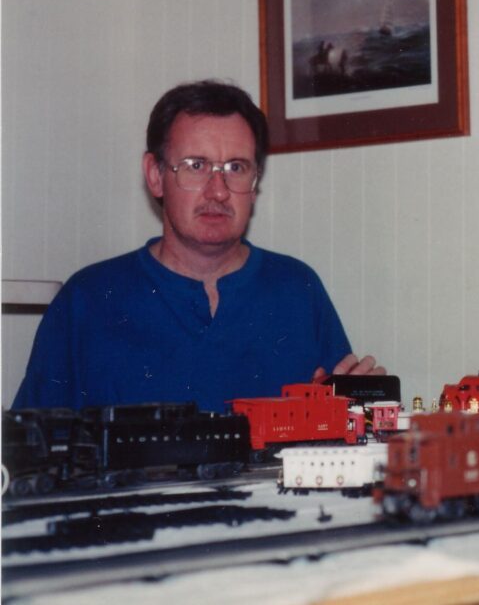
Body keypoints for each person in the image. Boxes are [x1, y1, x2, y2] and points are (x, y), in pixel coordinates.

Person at [13, 80, 384, 411]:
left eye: (236, 168)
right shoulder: (88, 299)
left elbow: (343, 425)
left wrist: (363, 407)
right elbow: (30, 451)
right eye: (196, 165)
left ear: (255, 183)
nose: (218, 191)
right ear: (155, 175)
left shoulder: (297, 289)